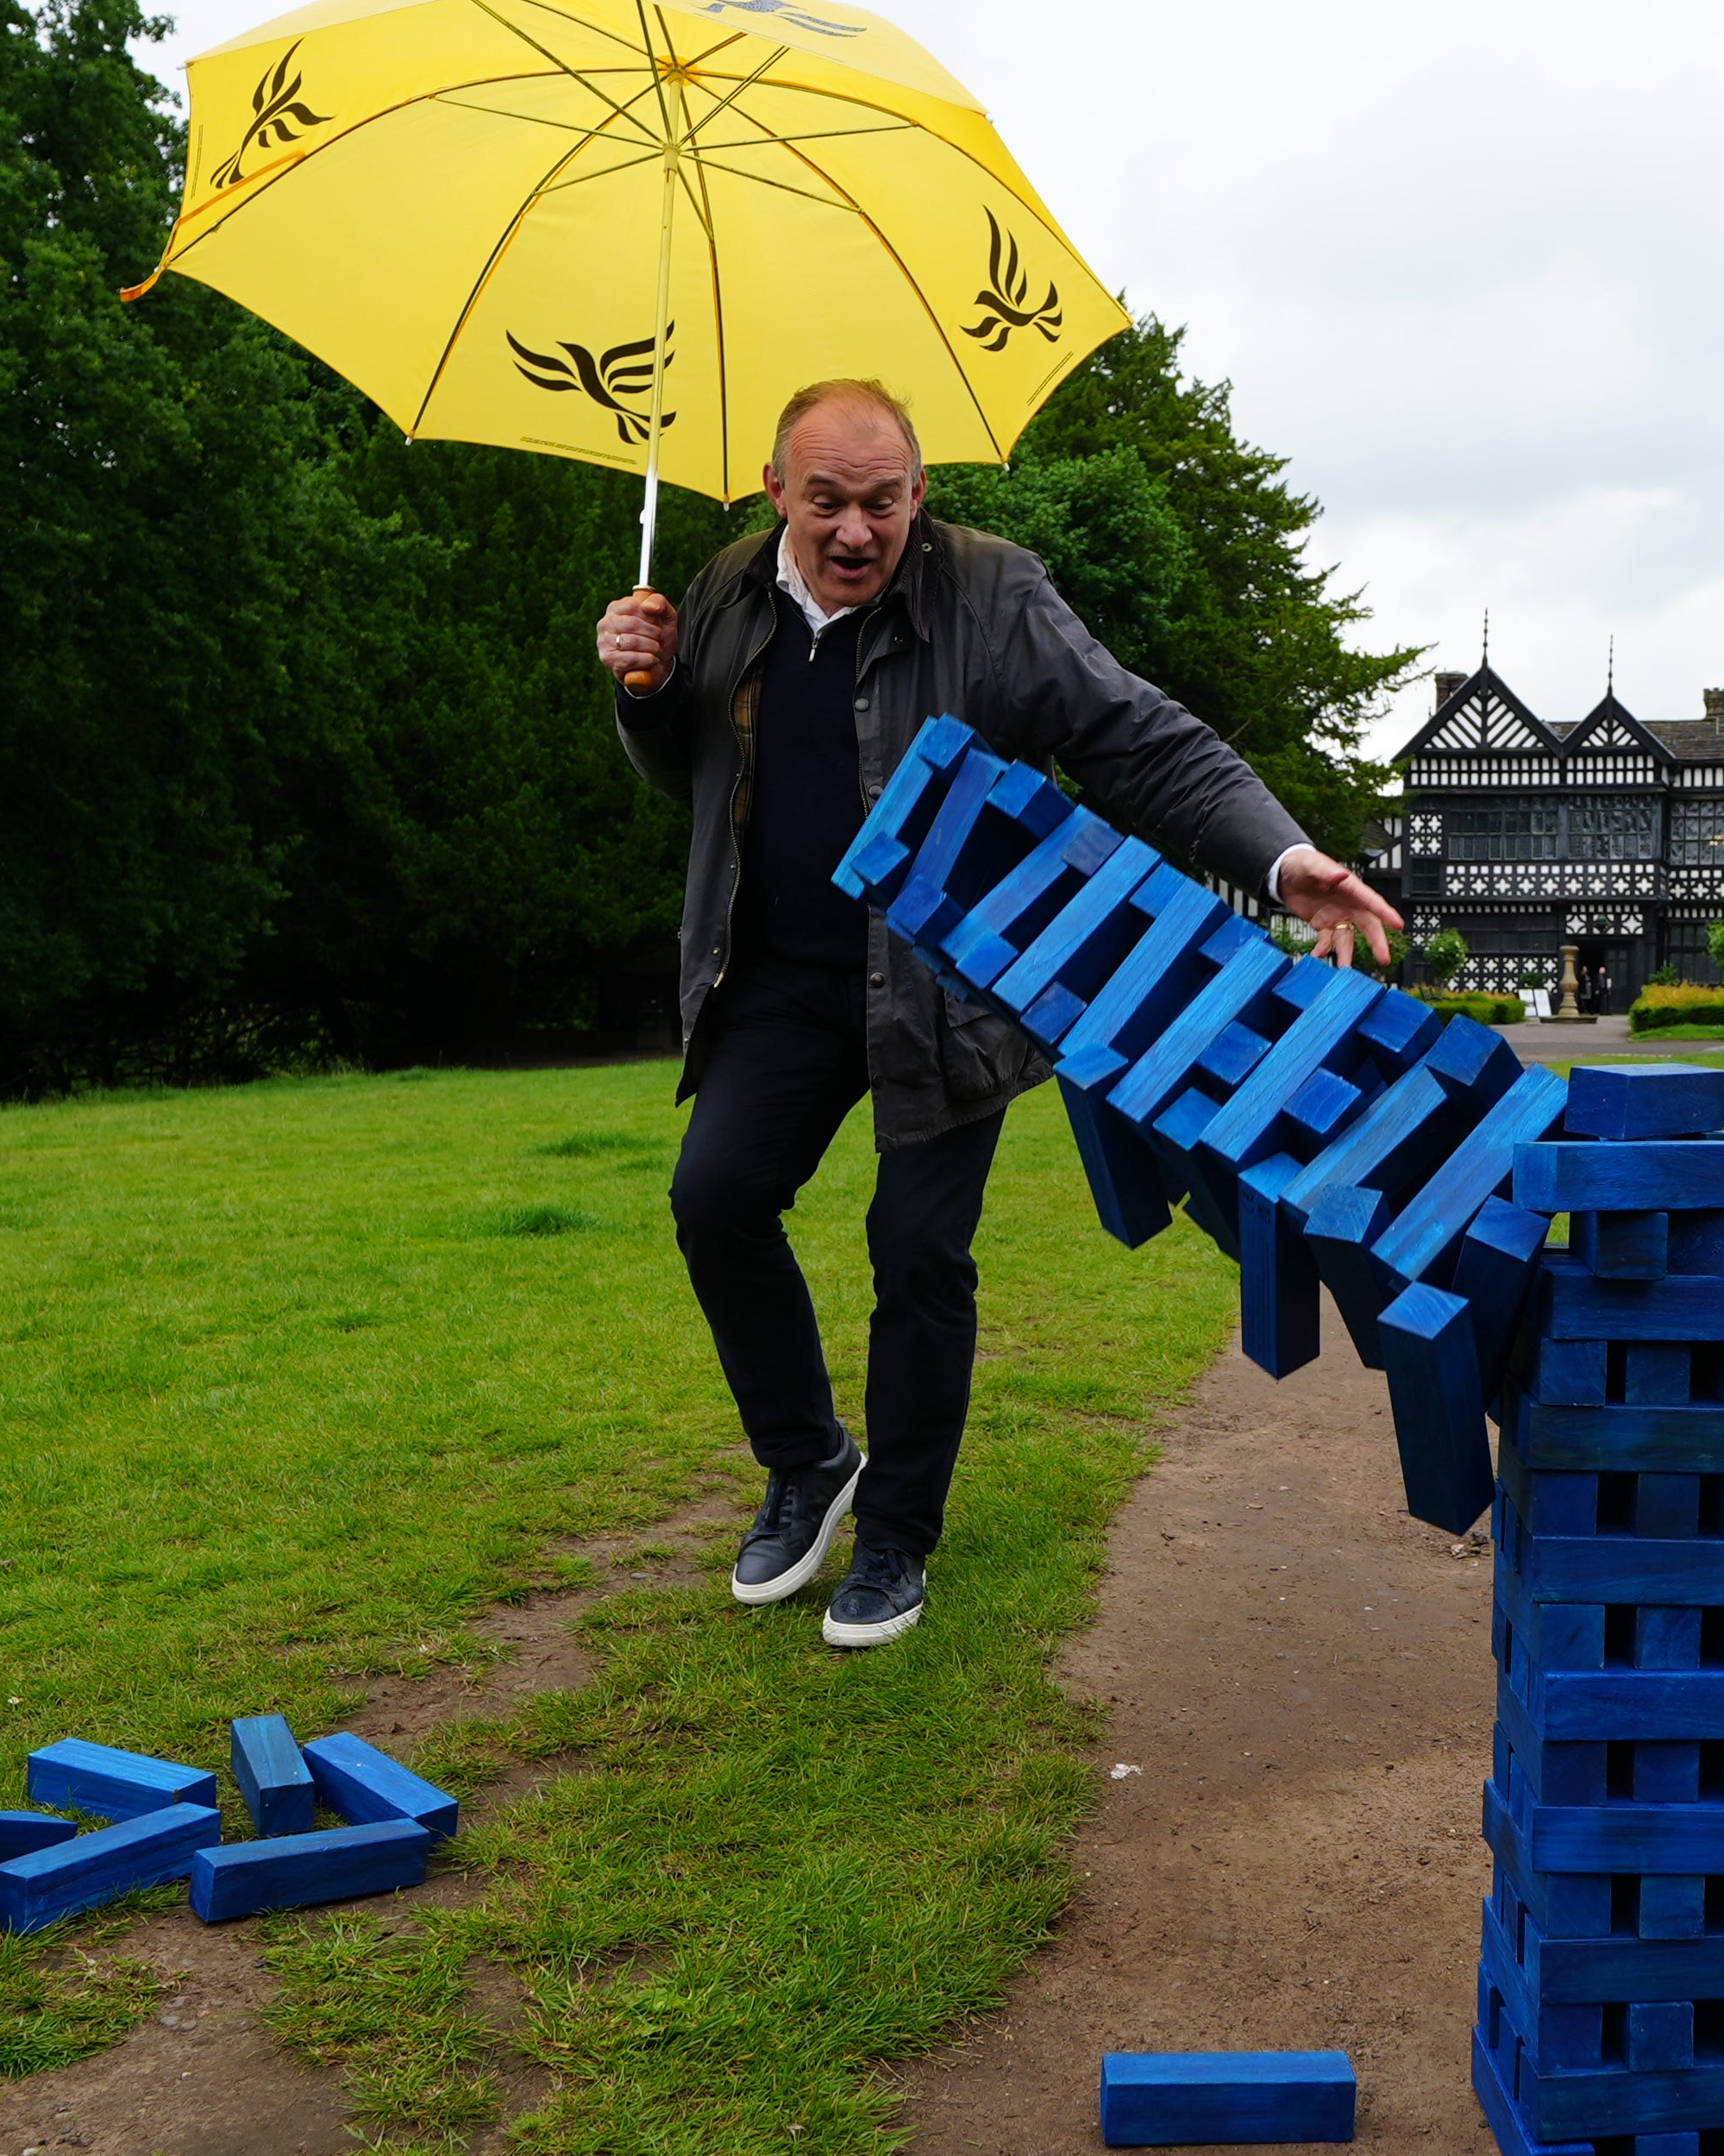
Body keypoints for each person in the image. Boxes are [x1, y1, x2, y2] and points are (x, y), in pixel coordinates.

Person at [597, 379, 1403, 1649]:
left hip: (945, 986)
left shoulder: (992, 592)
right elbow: (685, 771)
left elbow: (1141, 738)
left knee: (918, 1251)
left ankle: (897, 1540)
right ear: (776, 497)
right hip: (776, 984)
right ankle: (808, 1457)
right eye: (827, 505)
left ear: (920, 493)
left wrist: (1278, 858)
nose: (856, 531)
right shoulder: (723, 592)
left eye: (883, 501)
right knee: (715, 1201)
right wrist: (643, 691)